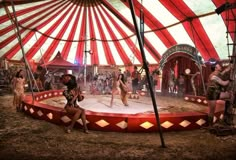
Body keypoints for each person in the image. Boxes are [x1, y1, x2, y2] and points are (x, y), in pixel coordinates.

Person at [206, 61, 231, 127]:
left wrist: (229, 68)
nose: (220, 67)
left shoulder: (217, 73)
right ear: (215, 68)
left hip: (216, 93)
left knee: (230, 95)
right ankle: (210, 125)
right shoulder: (213, 76)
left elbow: (222, 73)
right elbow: (223, 83)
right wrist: (230, 80)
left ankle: (226, 114)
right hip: (211, 94)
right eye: (219, 66)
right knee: (212, 110)